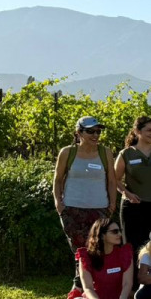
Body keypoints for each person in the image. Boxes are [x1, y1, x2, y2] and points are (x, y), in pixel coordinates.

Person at [53, 116, 117, 276]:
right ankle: (80, 284)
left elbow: (111, 181)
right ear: (79, 132)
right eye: (90, 131)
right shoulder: (67, 152)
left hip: (100, 209)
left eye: (98, 131)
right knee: (80, 252)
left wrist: (112, 204)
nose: (95, 135)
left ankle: (97, 284)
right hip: (72, 209)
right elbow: (58, 179)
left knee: (98, 249)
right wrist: (58, 204)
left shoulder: (105, 153)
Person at [57, 218, 148, 299]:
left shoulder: (124, 253)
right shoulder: (86, 256)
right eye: (115, 232)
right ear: (102, 235)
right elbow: (88, 288)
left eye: (119, 231)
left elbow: (127, 283)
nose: (119, 234)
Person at [114, 115, 151, 259]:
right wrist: (127, 194)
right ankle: (134, 273)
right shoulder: (126, 154)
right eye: (149, 130)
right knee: (133, 247)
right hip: (133, 208)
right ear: (137, 131)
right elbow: (115, 180)